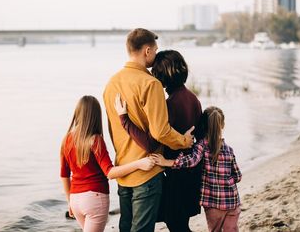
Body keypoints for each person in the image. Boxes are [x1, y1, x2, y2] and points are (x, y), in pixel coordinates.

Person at [103, 28, 194, 232]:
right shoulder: (151, 84)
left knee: (125, 227)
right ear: (147, 51)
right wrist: (184, 141)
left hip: (124, 169)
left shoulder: (111, 84)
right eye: (155, 49)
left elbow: (112, 129)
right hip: (147, 171)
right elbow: (160, 132)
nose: (155, 53)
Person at [60, 95, 156, 232]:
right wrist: (139, 163)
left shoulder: (66, 140)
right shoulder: (95, 140)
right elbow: (110, 173)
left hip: (75, 200)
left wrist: (70, 201)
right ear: (95, 116)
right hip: (94, 199)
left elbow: (64, 175)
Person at [151, 106, 242, 232]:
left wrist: (167, 162)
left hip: (214, 204)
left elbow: (191, 161)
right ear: (223, 125)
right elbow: (238, 176)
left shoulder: (201, 146)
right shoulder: (229, 150)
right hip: (233, 202)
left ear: (203, 126)